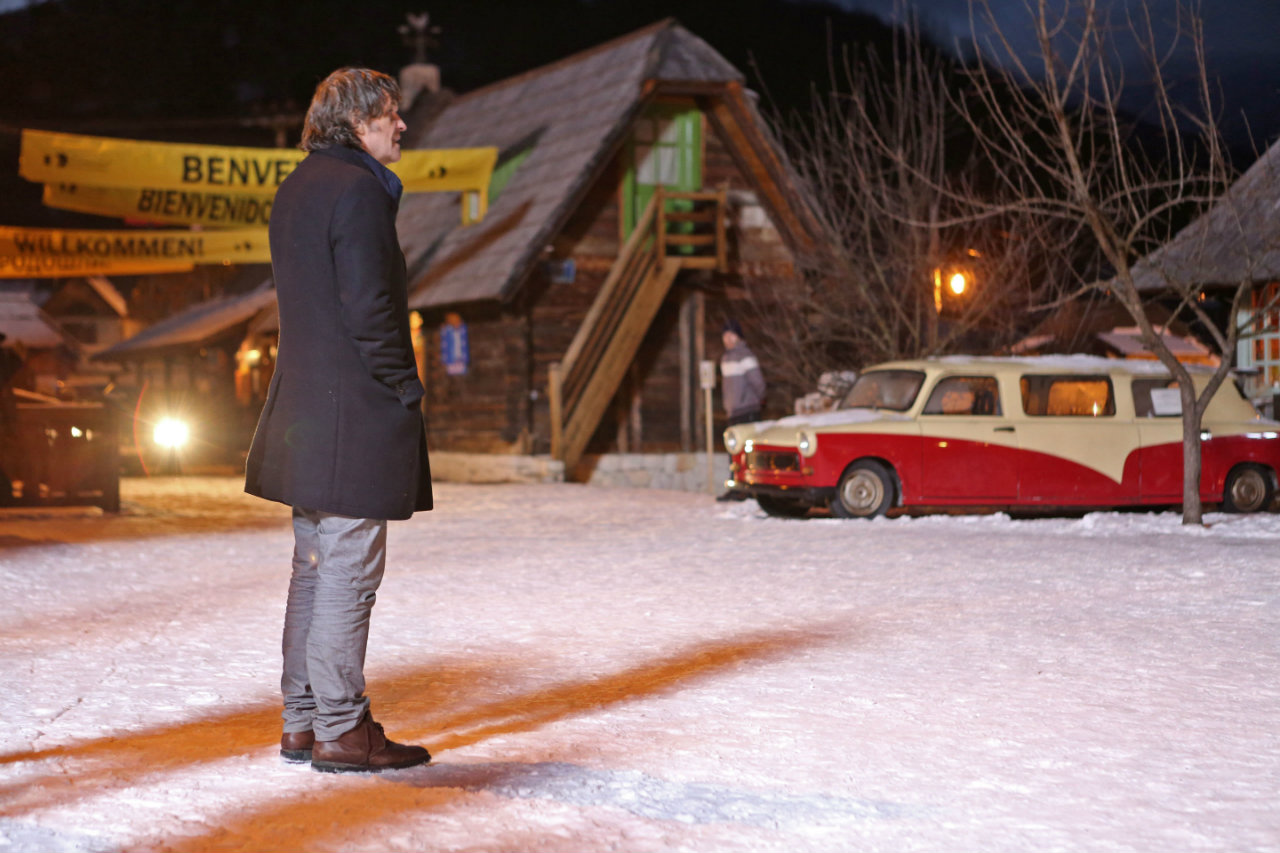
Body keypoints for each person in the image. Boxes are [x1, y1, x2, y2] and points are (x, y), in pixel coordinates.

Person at [244, 67, 433, 774]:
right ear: (356, 121)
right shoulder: (356, 189)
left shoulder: (297, 188)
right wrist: (404, 387)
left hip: (305, 415)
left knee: (315, 571)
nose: (401, 125)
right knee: (345, 573)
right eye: (390, 113)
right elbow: (369, 309)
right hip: (352, 415)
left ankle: (302, 721)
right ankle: (342, 729)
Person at [717, 318, 766, 501]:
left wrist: (755, 401)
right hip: (733, 411)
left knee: (748, 452)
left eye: (731, 335)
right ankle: (736, 487)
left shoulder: (746, 356)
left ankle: (752, 489)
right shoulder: (725, 358)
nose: (728, 339)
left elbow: (758, 383)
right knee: (734, 451)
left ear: (738, 336)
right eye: (725, 336)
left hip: (747, 410)